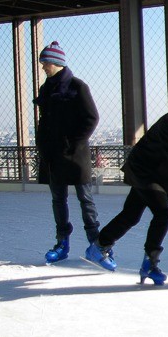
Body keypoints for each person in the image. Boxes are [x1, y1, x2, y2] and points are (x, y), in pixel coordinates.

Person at [85, 101, 168, 284]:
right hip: (144, 173)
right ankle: (149, 264)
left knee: (131, 214)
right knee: (163, 213)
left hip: (158, 175)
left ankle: (99, 246)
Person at [33, 41, 101, 264]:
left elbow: (92, 117)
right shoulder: (46, 89)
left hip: (75, 154)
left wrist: (73, 142)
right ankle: (62, 243)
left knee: (85, 199)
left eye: (45, 62)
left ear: (57, 63)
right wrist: (42, 144)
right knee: (58, 199)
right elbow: (44, 121)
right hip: (53, 155)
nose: (43, 66)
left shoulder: (77, 86)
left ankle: (96, 244)